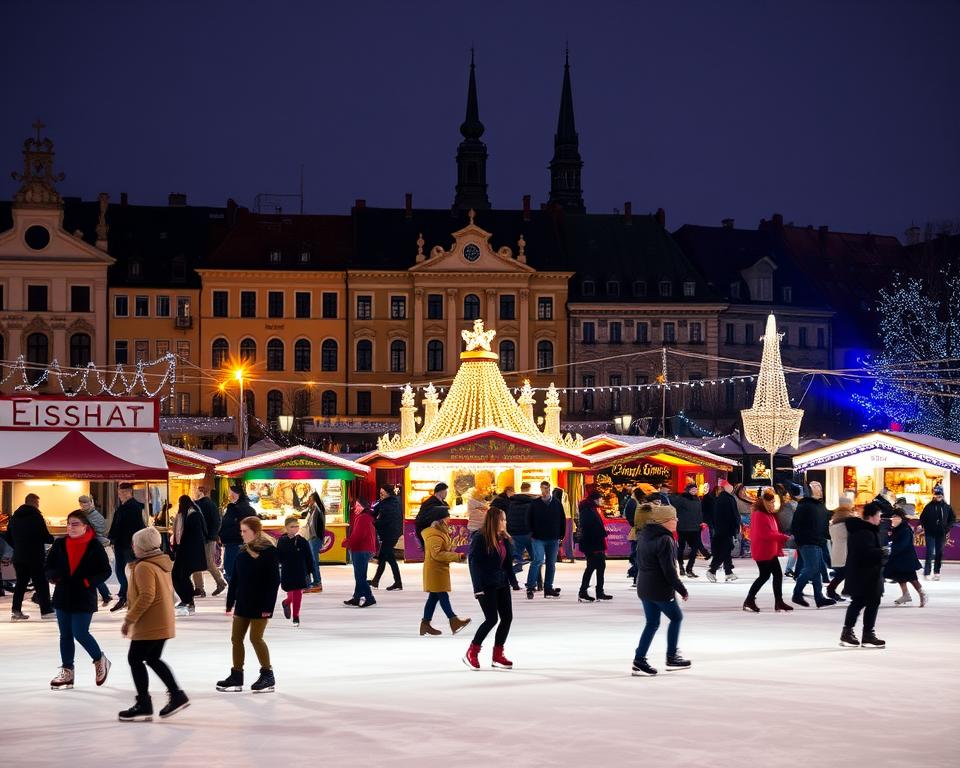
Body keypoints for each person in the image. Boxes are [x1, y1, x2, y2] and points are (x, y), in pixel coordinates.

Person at [119, 526, 189, 721]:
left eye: (135, 544)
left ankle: (144, 702)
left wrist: (129, 619)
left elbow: (147, 595)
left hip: (150, 622)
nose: (132, 547)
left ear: (142, 547)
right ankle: (176, 695)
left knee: (135, 659)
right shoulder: (160, 563)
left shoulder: (144, 566)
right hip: (163, 620)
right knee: (152, 658)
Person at [45, 510, 112, 690]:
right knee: (65, 634)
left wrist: (88, 581)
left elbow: (106, 571)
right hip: (63, 595)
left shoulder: (94, 546)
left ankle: (100, 659)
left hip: (84, 596)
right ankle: (67, 671)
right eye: (69, 524)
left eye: (75, 524)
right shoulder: (59, 544)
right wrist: (54, 577)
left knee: (80, 632)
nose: (71, 527)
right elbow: (48, 567)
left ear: (85, 526)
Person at [217, 516, 280, 693]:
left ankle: (267, 674)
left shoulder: (269, 552)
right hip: (243, 603)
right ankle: (237, 675)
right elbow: (235, 579)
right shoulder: (242, 552)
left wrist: (268, 607)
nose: (242, 534)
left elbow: (274, 581)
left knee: (255, 638)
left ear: (255, 531)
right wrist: (230, 603)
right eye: (241, 531)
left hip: (261, 604)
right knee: (236, 639)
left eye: (245, 531)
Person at [632, 504, 691, 676]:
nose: (677, 520)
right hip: (659, 589)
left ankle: (639, 659)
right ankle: (672, 656)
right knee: (676, 617)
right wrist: (681, 589)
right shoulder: (665, 539)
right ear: (665, 521)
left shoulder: (644, 535)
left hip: (644, 587)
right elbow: (669, 570)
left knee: (652, 623)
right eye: (674, 518)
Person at [464, 507, 518, 669]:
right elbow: (473, 563)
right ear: (495, 520)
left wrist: (513, 582)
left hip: (501, 583)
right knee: (491, 619)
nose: (505, 522)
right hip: (486, 584)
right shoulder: (480, 538)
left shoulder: (504, 539)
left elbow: (507, 564)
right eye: (502, 519)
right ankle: (472, 652)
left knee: (507, 617)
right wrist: (477, 588)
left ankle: (497, 655)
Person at [840, 502, 887, 648]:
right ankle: (852, 633)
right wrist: (882, 552)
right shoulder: (863, 532)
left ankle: (866, 634)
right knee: (859, 602)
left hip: (869, 574)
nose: (880, 518)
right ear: (872, 516)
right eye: (879, 515)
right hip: (864, 575)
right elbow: (864, 554)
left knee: (870, 602)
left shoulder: (868, 530)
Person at [420, 511, 471, 636]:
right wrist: (457, 556)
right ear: (439, 521)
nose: (449, 521)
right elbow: (436, 554)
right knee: (442, 595)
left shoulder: (439, 533)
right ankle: (454, 620)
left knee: (434, 597)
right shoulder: (434, 535)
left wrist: (451, 549)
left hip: (438, 569)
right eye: (447, 519)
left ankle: (425, 624)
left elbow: (440, 550)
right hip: (435, 570)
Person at [742, 489, 792, 613]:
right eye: (772, 502)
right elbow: (765, 534)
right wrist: (783, 537)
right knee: (765, 576)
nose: (774, 504)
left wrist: (780, 537)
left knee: (774, 575)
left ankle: (778, 602)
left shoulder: (768, 514)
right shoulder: (759, 514)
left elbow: (771, 532)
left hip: (769, 550)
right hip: (763, 551)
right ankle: (750, 600)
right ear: (765, 502)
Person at [8, 493, 54, 621]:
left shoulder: (14, 517)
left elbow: (7, 536)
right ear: (34, 502)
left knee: (20, 584)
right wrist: (52, 539)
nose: (38, 506)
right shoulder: (36, 516)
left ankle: (16, 610)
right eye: (38, 503)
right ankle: (46, 611)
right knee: (41, 583)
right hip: (35, 556)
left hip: (19, 556)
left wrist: (17, 546)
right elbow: (45, 535)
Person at [790, 481, 836, 608]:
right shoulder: (805, 505)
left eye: (820, 486)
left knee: (816, 572)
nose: (819, 489)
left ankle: (819, 597)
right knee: (811, 568)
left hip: (817, 541)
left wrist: (825, 536)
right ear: (809, 490)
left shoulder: (818, 505)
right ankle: (797, 593)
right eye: (815, 487)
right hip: (808, 541)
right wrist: (801, 539)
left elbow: (823, 523)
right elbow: (796, 525)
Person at [108, 482, 146, 613]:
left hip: (128, 544)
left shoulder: (134, 507)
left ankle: (127, 595)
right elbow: (116, 524)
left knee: (132, 570)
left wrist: (134, 543)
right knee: (120, 570)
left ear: (130, 492)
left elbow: (138, 527)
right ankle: (125, 594)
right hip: (120, 543)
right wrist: (112, 538)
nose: (121, 495)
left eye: (124, 492)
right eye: (119, 493)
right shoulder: (122, 507)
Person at [527, 482, 566, 600]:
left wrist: (561, 535)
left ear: (549, 489)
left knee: (551, 563)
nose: (543, 491)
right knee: (538, 560)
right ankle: (530, 586)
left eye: (545, 488)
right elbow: (528, 519)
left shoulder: (556, 503)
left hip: (553, 538)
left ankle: (548, 587)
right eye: (542, 488)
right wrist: (532, 533)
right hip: (538, 537)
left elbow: (562, 519)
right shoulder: (535, 503)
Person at [170, 495, 207, 617]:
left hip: (189, 552)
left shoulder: (193, 515)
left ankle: (188, 600)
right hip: (183, 550)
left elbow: (196, 536)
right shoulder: (184, 514)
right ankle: (187, 599)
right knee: (177, 575)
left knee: (182, 575)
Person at [276, 517, 314, 627]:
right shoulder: (282, 541)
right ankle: (286, 602)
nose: (295, 528)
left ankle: (296, 616)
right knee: (291, 594)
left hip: (300, 571)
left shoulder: (303, 541)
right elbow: (278, 557)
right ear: (286, 528)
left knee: (297, 593)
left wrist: (310, 571)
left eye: (297, 526)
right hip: (287, 571)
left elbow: (309, 557)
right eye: (292, 526)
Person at [886, 509, 926, 607]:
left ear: (901, 518)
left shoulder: (905, 529)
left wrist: (891, 549)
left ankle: (922, 594)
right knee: (900, 576)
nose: (893, 519)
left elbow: (903, 544)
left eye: (896, 517)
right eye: (893, 517)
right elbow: (892, 539)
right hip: (899, 558)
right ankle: (905, 594)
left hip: (906, 558)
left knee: (912, 578)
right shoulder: (897, 528)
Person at [77, 495, 113, 607]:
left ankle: (105, 594)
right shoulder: (80, 514)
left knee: (92, 573)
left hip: (93, 547)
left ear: (90, 503)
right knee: (89, 573)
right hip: (83, 546)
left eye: (85, 503)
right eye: (82, 503)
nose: (83, 505)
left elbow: (100, 531)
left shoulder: (96, 516)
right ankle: (105, 594)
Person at [192, 487, 226, 598]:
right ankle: (200, 588)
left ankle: (202, 587)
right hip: (208, 538)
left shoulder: (197, 505)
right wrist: (214, 535)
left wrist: (211, 535)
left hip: (203, 538)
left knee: (204, 562)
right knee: (206, 562)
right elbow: (217, 521)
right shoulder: (211, 504)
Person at [578, 489, 611, 602]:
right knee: (592, 567)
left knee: (600, 567)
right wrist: (600, 536)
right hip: (592, 544)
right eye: (600, 498)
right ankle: (583, 591)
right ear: (595, 499)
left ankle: (599, 591)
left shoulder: (592, 509)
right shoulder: (587, 510)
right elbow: (588, 528)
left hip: (596, 543)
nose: (602, 500)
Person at [344, 500, 377, 608]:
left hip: (360, 550)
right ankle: (357, 597)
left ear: (364, 507)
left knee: (360, 576)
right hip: (364, 549)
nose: (356, 507)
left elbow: (358, 536)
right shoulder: (366, 517)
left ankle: (369, 597)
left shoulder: (362, 518)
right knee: (361, 575)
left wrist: (347, 542)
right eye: (355, 505)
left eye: (358, 505)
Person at [370, 485, 403, 590]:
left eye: (382, 493)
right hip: (390, 533)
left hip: (390, 534)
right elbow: (375, 511)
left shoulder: (390, 504)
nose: (381, 495)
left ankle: (396, 582)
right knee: (385, 558)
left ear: (388, 493)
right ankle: (377, 581)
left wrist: (374, 524)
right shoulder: (388, 502)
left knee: (386, 558)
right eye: (380, 493)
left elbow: (385, 520)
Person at [706, 482, 740, 582]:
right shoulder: (725, 499)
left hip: (723, 529)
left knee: (726, 550)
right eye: (730, 487)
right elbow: (730, 516)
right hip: (725, 530)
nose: (731, 488)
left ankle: (728, 572)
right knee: (725, 550)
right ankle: (712, 570)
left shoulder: (724, 498)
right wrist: (734, 527)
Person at [919, 485, 955, 580]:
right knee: (929, 552)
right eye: (936, 494)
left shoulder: (947, 507)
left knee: (939, 553)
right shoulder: (928, 507)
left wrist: (947, 528)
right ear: (933, 495)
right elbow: (922, 518)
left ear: (942, 495)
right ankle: (927, 572)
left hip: (941, 533)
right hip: (930, 533)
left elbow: (952, 518)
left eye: (940, 494)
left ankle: (937, 572)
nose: (938, 496)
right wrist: (921, 525)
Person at [219, 486, 253, 584]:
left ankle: (237, 592)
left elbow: (231, 525)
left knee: (231, 568)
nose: (230, 495)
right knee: (235, 568)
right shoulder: (245, 508)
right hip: (236, 541)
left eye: (231, 493)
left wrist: (224, 534)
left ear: (236, 494)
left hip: (235, 541)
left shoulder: (236, 509)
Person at [826, 493, 856, 601]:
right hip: (846, 550)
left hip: (838, 549)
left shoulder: (835, 517)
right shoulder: (848, 518)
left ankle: (845, 591)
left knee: (844, 572)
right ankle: (833, 590)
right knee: (845, 572)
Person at [672, 482, 703, 578]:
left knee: (694, 548)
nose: (694, 491)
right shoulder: (681, 499)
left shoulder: (697, 499)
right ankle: (681, 566)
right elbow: (674, 509)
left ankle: (689, 568)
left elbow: (699, 512)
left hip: (695, 527)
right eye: (692, 489)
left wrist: (700, 522)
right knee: (681, 547)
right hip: (683, 527)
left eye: (695, 489)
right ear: (688, 490)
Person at [506, 482, 536, 576]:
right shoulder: (532, 503)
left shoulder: (511, 503)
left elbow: (508, 518)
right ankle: (535, 583)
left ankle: (511, 579)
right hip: (529, 534)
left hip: (515, 534)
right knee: (536, 560)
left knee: (516, 557)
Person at [299, 491, 325, 592]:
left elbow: (313, 525)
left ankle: (317, 582)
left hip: (315, 538)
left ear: (314, 499)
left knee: (313, 561)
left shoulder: (317, 509)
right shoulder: (313, 508)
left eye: (310, 498)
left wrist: (313, 537)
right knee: (311, 560)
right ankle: (314, 582)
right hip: (312, 537)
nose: (308, 500)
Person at [415, 483, 450, 549]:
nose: (446, 493)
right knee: (431, 551)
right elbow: (427, 517)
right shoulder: (430, 503)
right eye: (445, 491)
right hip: (426, 530)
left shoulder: (441, 503)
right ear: (440, 492)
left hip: (433, 531)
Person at [626, 486, 648, 583]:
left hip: (637, 531)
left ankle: (636, 576)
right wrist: (634, 523)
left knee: (637, 555)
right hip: (637, 531)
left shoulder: (635, 502)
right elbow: (630, 516)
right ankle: (634, 574)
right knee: (637, 555)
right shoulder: (633, 502)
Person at [780, 484, 801, 577]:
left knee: (794, 551)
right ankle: (790, 569)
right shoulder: (794, 504)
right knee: (794, 551)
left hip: (789, 529)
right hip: (794, 530)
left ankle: (790, 569)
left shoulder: (785, 505)